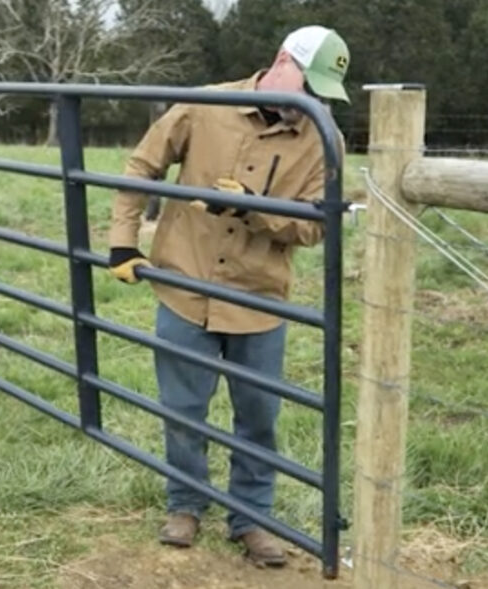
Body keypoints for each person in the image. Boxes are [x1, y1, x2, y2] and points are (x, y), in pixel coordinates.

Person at [107, 26, 349, 566]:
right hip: (184, 288)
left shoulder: (321, 138)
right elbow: (143, 164)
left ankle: (252, 519)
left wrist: (253, 208)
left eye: (321, 93)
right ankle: (186, 504)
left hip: (259, 300)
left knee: (258, 417)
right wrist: (123, 241)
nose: (309, 102)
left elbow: (316, 227)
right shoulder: (204, 106)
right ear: (281, 60)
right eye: (307, 85)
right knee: (184, 409)